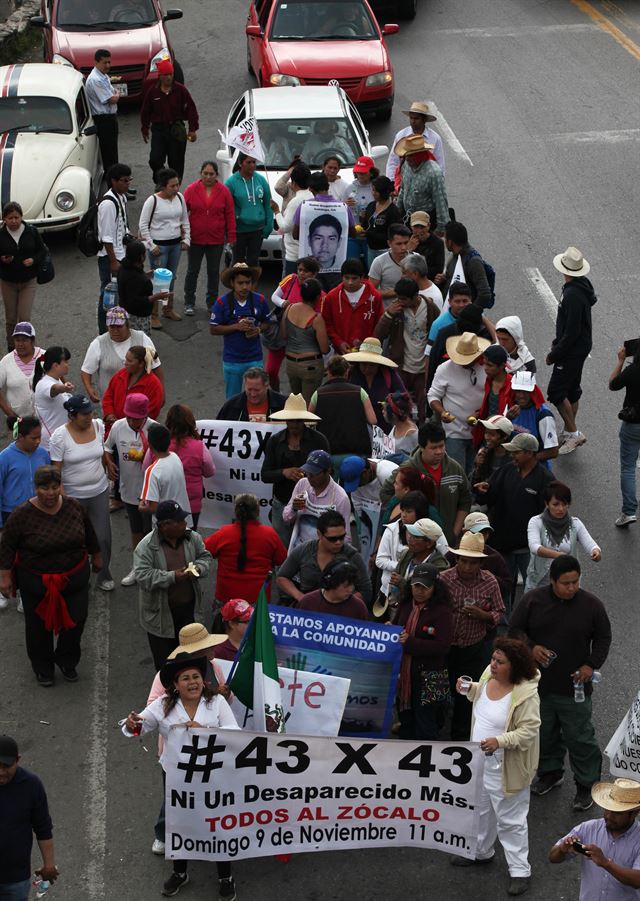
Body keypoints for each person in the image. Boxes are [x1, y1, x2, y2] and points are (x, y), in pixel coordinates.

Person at [122, 654, 238, 900]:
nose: (192, 682)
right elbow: (139, 725)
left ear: (203, 680)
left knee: (217, 823)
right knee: (180, 824)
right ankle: (180, 872)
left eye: (196, 676)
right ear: (175, 684)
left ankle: (225, 876)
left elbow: (234, 734)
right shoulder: (163, 705)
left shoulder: (216, 702)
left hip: (214, 777)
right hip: (177, 779)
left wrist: (206, 731)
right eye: (185, 678)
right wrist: (133, 723)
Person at [509, 555, 612, 811]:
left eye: (575, 582)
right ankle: (550, 773)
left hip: (574, 689)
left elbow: (603, 638)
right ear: (552, 581)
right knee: (543, 733)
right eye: (565, 583)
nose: (571, 588)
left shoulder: (592, 606)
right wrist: (531, 648)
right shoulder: (533, 600)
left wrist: (590, 665)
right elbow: (514, 630)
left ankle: (586, 785)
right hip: (538, 687)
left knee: (580, 738)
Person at [0, 465, 101, 685]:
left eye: (55, 487)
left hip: (74, 578)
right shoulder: (21, 515)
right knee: (37, 627)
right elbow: (7, 545)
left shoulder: (74, 507)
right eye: (45, 488)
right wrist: (5, 576)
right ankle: (43, 668)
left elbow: (89, 533)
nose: (51, 493)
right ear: (35, 488)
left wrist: (97, 554)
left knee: (77, 619)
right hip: (36, 582)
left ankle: (67, 660)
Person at [455, 639, 540, 897]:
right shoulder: (487, 674)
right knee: (479, 811)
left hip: (505, 767)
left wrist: (499, 741)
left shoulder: (526, 695)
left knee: (510, 821)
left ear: (515, 667)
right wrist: (470, 689)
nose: (493, 664)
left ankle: (520, 871)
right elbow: (482, 696)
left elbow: (529, 731)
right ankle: (480, 853)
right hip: (479, 763)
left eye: (500, 662)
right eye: (493, 659)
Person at [475, 432, 553, 611]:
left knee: (533, 590)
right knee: (502, 591)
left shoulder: (545, 480)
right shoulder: (506, 470)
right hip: (502, 546)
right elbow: (489, 497)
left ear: (530, 454)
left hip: (529, 549)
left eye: (516, 452)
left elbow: (549, 515)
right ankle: (504, 627)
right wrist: (484, 491)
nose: (512, 456)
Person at [441, 532, 505, 740]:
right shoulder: (444, 579)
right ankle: (434, 733)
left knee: (465, 696)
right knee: (435, 692)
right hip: (442, 649)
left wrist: (483, 615)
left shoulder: (490, 582)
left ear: (480, 563)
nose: (468, 567)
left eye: (473, 563)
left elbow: (499, 612)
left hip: (472, 650)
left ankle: (459, 740)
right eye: (464, 561)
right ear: (457, 559)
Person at [133, 501, 211, 668]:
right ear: (165, 525)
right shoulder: (146, 547)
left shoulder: (192, 538)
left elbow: (205, 557)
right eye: (180, 521)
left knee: (191, 660)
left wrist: (198, 568)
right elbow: (142, 576)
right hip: (161, 615)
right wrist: (172, 577)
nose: (185, 524)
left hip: (189, 611)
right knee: (165, 665)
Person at [50, 395, 115, 592]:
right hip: (73, 496)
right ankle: (80, 577)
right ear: (72, 415)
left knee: (103, 537)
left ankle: (103, 575)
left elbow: (100, 449)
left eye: (90, 412)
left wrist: (107, 462)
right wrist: (63, 498)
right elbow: (56, 471)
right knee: (76, 541)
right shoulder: (59, 437)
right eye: (84, 414)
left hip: (99, 491)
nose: (89, 416)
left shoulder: (97, 426)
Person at [380, 421, 472, 546]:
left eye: (442, 446)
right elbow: (386, 493)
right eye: (434, 448)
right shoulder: (407, 470)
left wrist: (454, 533)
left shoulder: (455, 469)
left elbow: (465, 499)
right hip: (416, 544)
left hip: (447, 543)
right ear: (421, 447)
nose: (439, 451)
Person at [549, 778, 640, 899]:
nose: (609, 816)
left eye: (617, 813)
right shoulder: (588, 828)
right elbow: (552, 858)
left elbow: (637, 880)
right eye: (607, 809)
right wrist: (562, 849)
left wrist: (606, 863)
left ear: (634, 813)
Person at [546, 246, 597, 455]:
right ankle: (569, 430)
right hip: (580, 347)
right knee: (572, 389)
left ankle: (574, 434)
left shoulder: (572, 294)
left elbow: (572, 330)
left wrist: (555, 353)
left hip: (571, 350)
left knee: (556, 391)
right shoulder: (581, 286)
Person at [262, 393, 330, 547]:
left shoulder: (319, 440)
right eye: (291, 420)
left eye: (298, 421)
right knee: (281, 547)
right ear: (285, 420)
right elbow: (265, 474)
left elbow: (329, 472)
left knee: (311, 546)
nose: (294, 425)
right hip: (283, 501)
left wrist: (310, 474)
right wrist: (284, 472)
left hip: (313, 504)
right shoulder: (274, 441)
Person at [105, 394, 157, 587]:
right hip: (128, 489)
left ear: (145, 415)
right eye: (130, 417)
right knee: (136, 530)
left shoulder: (155, 429)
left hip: (151, 491)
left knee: (151, 531)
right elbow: (107, 447)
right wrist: (109, 463)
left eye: (137, 418)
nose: (133, 422)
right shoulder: (118, 426)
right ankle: (138, 567)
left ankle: (153, 568)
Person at [0, 734, 59, 900]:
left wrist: (49, 865)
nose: (1, 772)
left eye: (6, 766)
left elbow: (43, 828)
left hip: (15, 878)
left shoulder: (31, 785)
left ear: (18, 760)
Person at [204, 493, 287, 608]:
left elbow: (204, 551)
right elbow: (282, 559)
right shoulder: (269, 534)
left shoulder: (224, 533)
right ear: (257, 512)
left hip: (227, 598)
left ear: (236, 511)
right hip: (258, 599)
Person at [375, 277, 438, 422]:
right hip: (402, 366)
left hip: (423, 368)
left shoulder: (430, 308)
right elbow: (379, 335)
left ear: (415, 297)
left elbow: (437, 335)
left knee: (424, 409)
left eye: (403, 299)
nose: (399, 302)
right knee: (400, 407)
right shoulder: (396, 310)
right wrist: (388, 314)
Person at [276, 510, 371, 604]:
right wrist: (300, 597)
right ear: (319, 534)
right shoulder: (304, 550)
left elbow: (366, 591)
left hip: (339, 613)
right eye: (332, 539)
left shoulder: (352, 555)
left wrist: (342, 603)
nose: (338, 542)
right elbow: (282, 577)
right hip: (309, 609)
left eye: (342, 537)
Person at [209, 263, 273, 400]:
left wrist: (258, 329)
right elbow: (213, 329)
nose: (244, 287)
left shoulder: (260, 300)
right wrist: (236, 327)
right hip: (232, 361)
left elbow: (268, 323)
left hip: (255, 359)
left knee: (258, 398)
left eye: (248, 283)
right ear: (232, 283)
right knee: (233, 401)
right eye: (240, 283)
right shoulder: (222, 303)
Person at [428, 332, 489, 473]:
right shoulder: (444, 369)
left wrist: (481, 413)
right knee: (457, 474)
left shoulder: (487, 368)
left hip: (481, 432)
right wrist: (442, 411)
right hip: (454, 433)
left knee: (477, 473)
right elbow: (433, 395)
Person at [526, 481, 601, 591]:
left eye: (564, 504)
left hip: (568, 587)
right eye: (556, 504)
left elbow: (591, 545)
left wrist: (596, 552)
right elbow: (534, 547)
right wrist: (558, 555)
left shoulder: (576, 524)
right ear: (547, 504)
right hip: (539, 584)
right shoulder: (536, 522)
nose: (561, 509)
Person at [182, 160, 236, 314]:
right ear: (201, 173)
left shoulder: (224, 191)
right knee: (192, 270)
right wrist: (183, 234)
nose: (208, 177)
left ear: (216, 175)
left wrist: (231, 236)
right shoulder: (191, 189)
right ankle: (189, 302)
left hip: (216, 239)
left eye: (211, 174)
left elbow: (230, 215)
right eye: (205, 173)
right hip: (195, 238)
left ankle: (212, 303)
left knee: (213, 272)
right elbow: (182, 213)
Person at [139, 168, 190, 324]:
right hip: (159, 247)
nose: (176, 189)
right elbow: (143, 224)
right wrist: (150, 245)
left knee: (171, 278)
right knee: (158, 280)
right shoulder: (152, 201)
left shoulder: (180, 198)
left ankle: (168, 309)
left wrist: (187, 239)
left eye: (177, 185)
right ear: (163, 186)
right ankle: (154, 315)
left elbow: (185, 220)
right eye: (172, 186)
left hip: (175, 245)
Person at [81, 306, 163, 403]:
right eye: (112, 327)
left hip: (141, 401)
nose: (115, 330)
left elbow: (156, 367)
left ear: (127, 325)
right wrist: (89, 389)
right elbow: (86, 371)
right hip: (112, 403)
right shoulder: (98, 344)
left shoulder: (142, 339)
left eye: (119, 326)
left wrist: (161, 393)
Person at [267, 257, 321, 392]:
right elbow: (274, 296)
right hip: (281, 335)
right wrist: (283, 303)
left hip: (301, 342)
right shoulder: (291, 279)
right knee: (270, 371)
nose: (301, 273)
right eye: (300, 269)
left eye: (306, 271)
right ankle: (276, 394)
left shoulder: (319, 295)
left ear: (314, 274)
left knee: (300, 381)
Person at [140, 58, 199, 182]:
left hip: (176, 130)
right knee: (155, 159)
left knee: (176, 162)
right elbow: (145, 111)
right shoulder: (153, 92)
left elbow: (191, 110)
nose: (168, 77)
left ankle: (174, 187)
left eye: (170, 74)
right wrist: (145, 128)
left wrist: (192, 129)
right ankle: (162, 181)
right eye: (165, 75)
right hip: (159, 131)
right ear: (160, 76)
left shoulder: (181, 90)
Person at [308, 355, 377, 458]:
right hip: (356, 451)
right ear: (346, 372)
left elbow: (309, 422)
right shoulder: (359, 391)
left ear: (329, 373)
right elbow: (373, 420)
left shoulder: (318, 394)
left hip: (327, 451)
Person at [0, 201, 46, 350]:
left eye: (16, 217)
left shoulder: (31, 231)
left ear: (21, 217)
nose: (13, 221)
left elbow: (42, 251)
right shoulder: (1, 235)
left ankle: (29, 347)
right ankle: (12, 348)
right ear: (4, 219)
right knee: (11, 319)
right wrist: (3, 259)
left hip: (28, 281)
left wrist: (33, 260)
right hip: (8, 282)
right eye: (10, 218)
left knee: (24, 318)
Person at [283, 449, 352, 545]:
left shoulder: (340, 497)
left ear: (328, 471)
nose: (309, 477)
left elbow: (346, 537)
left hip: (326, 551)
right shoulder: (302, 484)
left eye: (314, 473)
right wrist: (293, 508)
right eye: (308, 472)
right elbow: (286, 518)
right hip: (300, 547)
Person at [165, 404, 214, 530]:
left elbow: (145, 468)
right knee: (188, 540)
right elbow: (209, 471)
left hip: (164, 501)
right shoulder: (199, 447)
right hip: (191, 503)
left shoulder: (160, 445)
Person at [96, 164, 132, 334]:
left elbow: (121, 227)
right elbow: (106, 237)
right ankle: (104, 332)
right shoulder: (108, 204)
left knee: (119, 297)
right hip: (110, 259)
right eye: (124, 181)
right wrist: (113, 261)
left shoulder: (121, 198)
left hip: (120, 255)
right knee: (108, 297)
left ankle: (117, 328)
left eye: (129, 180)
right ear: (113, 181)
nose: (128, 184)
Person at [281, 278, 329, 403]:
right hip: (310, 365)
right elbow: (324, 349)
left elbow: (284, 334)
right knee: (309, 403)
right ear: (318, 297)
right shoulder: (316, 318)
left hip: (291, 363)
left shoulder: (289, 308)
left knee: (296, 402)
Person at [322, 259, 384, 353]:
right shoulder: (332, 297)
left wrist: (368, 345)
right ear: (341, 277)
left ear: (362, 277)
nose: (350, 282)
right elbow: (327, 324)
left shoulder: (375, 297)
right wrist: (339, 342)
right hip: (341, 353)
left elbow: (379, 324)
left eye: (354, 278)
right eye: (346, 278)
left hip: (368, 354)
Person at [344, 337, 406, 432]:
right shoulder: (351, 374)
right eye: (364, 365)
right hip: (356, 426)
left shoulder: (389, 374)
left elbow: (402, 395)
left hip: (384, 427)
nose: (367, 369)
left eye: (372, 365)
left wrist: (390, 402)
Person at [609, 341, 640, 527]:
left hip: (633, 425)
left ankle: (628, 511)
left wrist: (620, 361)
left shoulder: (634, 370)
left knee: (628, 468)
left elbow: (613, 384)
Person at [225, 153, 273, 267]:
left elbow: (268, 204)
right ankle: (237, 284)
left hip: (258, 230)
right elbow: (227, 208)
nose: (252, 165)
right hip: (239, 231)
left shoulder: (260, 180)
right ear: (240, 163)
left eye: (254, 162)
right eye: (248, 162)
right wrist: (230, 230)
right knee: (238, 263)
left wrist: (269, 226)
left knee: (253, 262)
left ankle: (252, 285)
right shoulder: (231, 182)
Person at [395, 135, 449, 234]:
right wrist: (397, 211)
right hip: (409, 220)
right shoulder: (407, 165)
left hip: (425, 223)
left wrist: (441, 228)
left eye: (411, 155)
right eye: (406, 155)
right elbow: (403, 189)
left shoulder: (433, 173)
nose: (407, 158)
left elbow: (440, 201)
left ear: (420, 154)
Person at [101, 345, 164, 430]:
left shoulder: (154, 385)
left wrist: (127, 425)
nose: (125, 363)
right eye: (126, 359)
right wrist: (109, 414)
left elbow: (151, 412)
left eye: (130, 361)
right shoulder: (120, 375)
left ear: (141, 364)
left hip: (137, 434)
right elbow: (108, 396)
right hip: (113, 428)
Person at [140, 424, 191, 525]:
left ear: (150, 445)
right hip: (183, 520)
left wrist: (141, 507)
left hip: (166, 527)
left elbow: (153, 507)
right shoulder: (175, 457)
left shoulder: (152, 471)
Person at [505, 371, 559, 466]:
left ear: (533, 391)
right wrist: (507, 419)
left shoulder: (544, 415)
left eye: (526, 392)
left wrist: (526, 460)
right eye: (518, 391)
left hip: (536, 470)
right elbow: (502, 436)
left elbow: (553, 451)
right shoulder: (510, 407)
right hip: (514, 466)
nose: (521, 395)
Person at [435, 221, 493, 310]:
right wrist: (443, 280)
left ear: (450, 242)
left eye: (445, 238)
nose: (445, 241)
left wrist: (469, 314)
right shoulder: (454, 256)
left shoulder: (473, 261)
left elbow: (485, 294)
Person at [117, 240, 169, 334]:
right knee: (142, 343)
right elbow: (135, 300)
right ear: (141, 257)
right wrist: (156, 297)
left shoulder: (124, 268)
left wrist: (145, 275)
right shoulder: (136, 277)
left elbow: (131, 286)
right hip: (138, 316)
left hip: (125, 311)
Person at [386, 100, 445, 179]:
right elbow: (393, 161)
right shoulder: (401, 136)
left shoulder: (435, 138)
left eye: (416, 119)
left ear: (424, 120)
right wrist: (392, 182)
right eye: (411, 118)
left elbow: (440, 164)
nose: (413, 121)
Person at [272, 163, 312, 276]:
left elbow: (285, 227)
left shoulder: (296, 201)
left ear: (293, 183)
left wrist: (276, 211)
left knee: (291, 288)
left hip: (294, 254)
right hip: (309, 251)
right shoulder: (313, 197)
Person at [85, 49, 121, 174]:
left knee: (113, 153)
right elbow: (112, 99)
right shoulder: (96, 80)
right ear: (96, 62)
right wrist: (116, 94)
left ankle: (119, 184)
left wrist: (115, 94)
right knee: (109, 156)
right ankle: (114, 187)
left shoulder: (103, 76)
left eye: (109, 62)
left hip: (110, 118)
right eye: (104, 62)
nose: (108, 66)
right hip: (104, 120)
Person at [0, 322, 43, 426]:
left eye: (24, 340)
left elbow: (58, 378)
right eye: (17, 340)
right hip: (20, 421)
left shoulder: (44, 356)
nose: (20, 344)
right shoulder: (6, 361)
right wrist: (12, 416)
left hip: (46, 418)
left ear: (32, 341)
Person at [298, 559, 368, 619]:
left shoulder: (359, 608)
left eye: (352, 585)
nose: (351, 590)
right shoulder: (307, 602)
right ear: (331, 583)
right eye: (346, 586)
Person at [33, 347, 73, 451]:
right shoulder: (43, 384)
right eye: (66, 362)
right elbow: (54, 389)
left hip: (61, 439)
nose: (68, 365)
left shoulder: (57, 380)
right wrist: (64, 388)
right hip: (51, 444)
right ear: (56, 365)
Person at [216, 366, 285, 423]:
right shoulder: (231, 406)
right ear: (245, 386)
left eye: (257, 390)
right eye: (249, 390)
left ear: (266, 386)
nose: (253, 394)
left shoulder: (284, 404)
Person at [363, 175, 403, 268]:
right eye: (372, 190)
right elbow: (365, 225)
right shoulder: (371, 206)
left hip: (385, 251)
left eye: (375, 191)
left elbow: (393, 235)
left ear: (383, 191)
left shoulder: (393, 211)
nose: (373, 193)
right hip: (371, 249)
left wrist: (370, 234)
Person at [368, 223, 412, 306]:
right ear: (389, 243)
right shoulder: (379, 262)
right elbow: (370, 292)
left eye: (406, 243)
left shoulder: (416, 259)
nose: (403, 247)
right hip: (387, 313)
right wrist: (397, 292)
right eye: (399, 244)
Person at [471, 414, 514, 498]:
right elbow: (472, 487)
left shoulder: (514, 458)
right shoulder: (484, 453)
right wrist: (478, 466)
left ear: (505, 436)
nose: (487, 437)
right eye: (486, 433)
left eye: (492, 434)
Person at [406, 212, 445, 283]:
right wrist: (409, 250)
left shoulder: (438, 243)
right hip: (409, 281)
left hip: (428, 281)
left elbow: (438, 269)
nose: (419, 231)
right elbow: (401, 264)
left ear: (429, 225)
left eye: (422, 227)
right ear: (411, 226)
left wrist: (416, 272)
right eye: (416, 227)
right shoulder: (406, 239)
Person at [382, 391, 419, 457]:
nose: (382, 412)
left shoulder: (411, 434)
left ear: (393, 415)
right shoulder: (396, 426)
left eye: (385, 410)